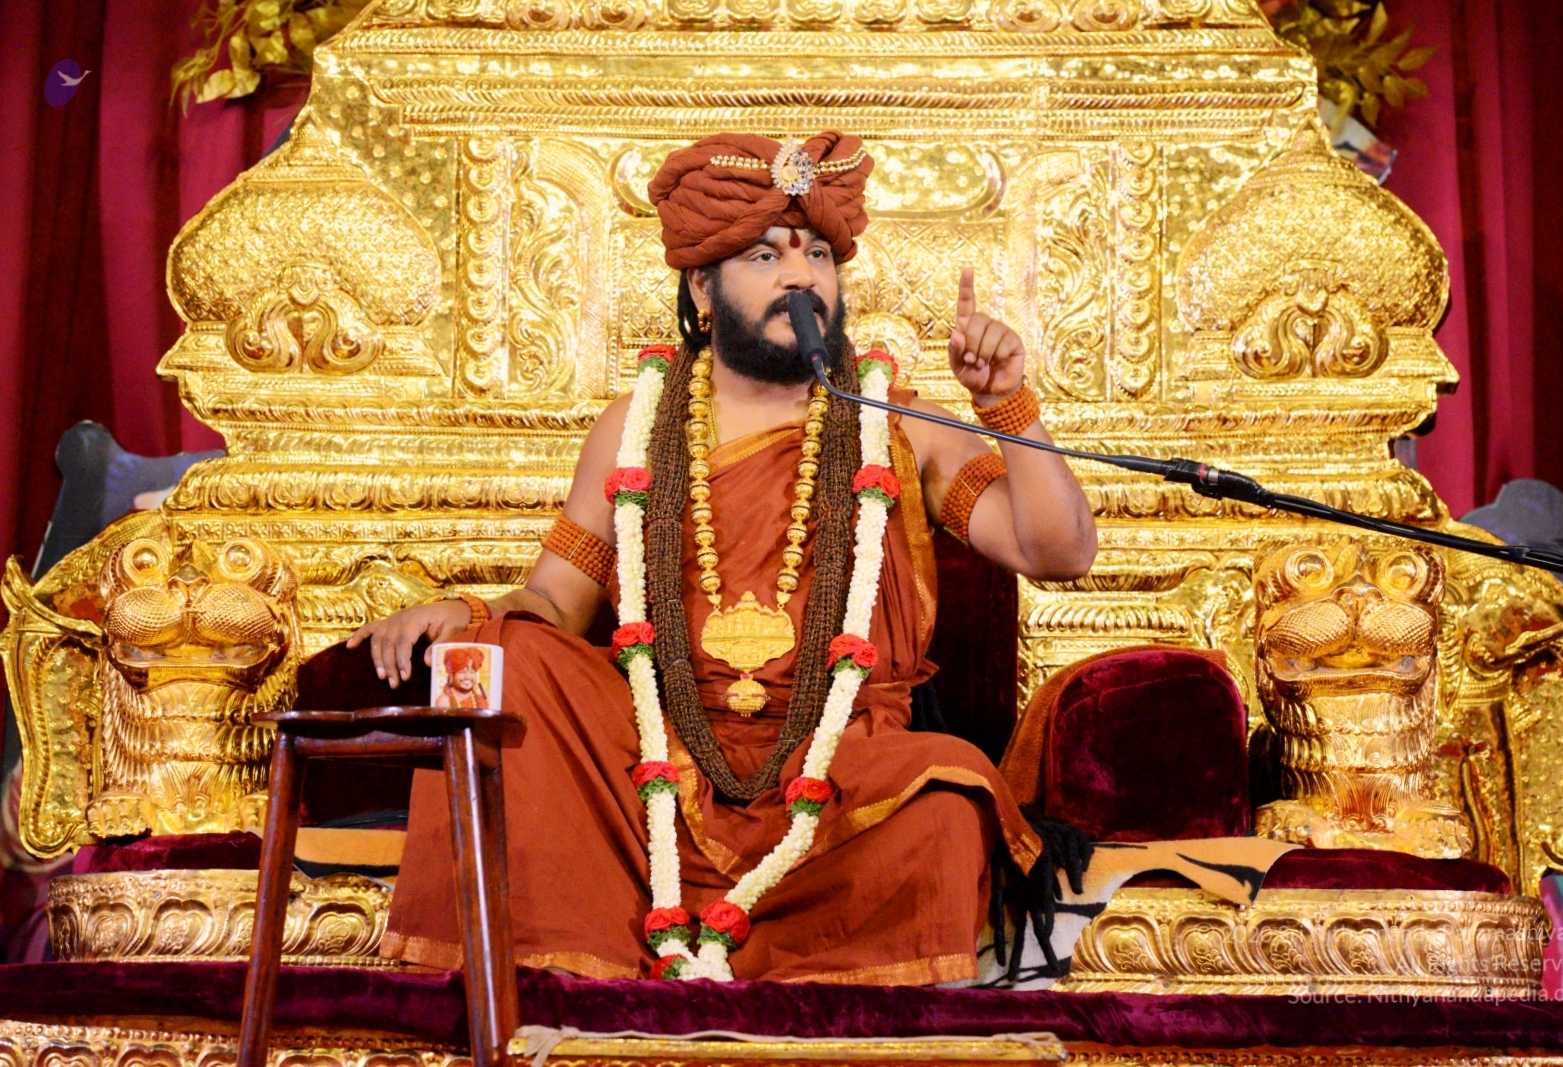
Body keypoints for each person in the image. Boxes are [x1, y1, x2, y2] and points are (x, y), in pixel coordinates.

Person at [347, 131, 1097, 983]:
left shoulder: (898, 427)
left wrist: (1007, 404)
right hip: (655, 762)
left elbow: (1058, 550)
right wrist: (469, 612)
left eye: (818, 254)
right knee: (515, 659)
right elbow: (555, 602)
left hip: (837, 770)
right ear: (702, 287)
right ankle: (579, 981)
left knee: (947, 798)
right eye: (765, 255)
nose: (800, 276)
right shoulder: (635, 426)